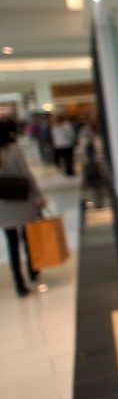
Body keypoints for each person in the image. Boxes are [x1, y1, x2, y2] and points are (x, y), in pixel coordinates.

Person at [0, 118, 45, 296]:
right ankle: (33, 271)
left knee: (12, 244)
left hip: (3, 206)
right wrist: (38, 196)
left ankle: (19, 284)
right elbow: (27, 175)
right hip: (22, 201)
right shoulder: (15, 151)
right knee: (28, 239)